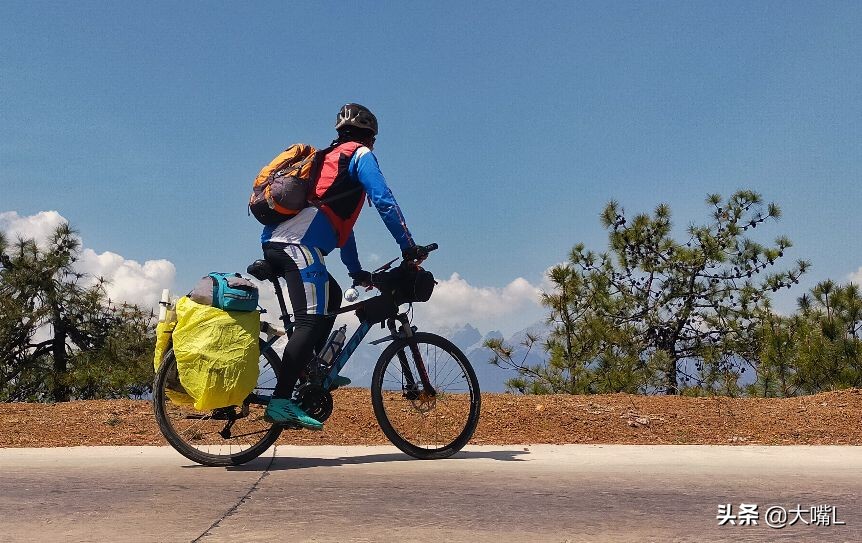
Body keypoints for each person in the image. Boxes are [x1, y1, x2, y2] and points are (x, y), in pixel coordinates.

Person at [261, 103, 426, 429]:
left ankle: (310, 367)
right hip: (296, 244)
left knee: (332, 296)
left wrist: (356, 271)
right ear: (370, 137)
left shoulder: (330, 162)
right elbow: (384, 200)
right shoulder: (359, 155)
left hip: (288, 242)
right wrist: (408, 247)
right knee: (309, 322)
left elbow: (340, 227)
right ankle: (280, 401)